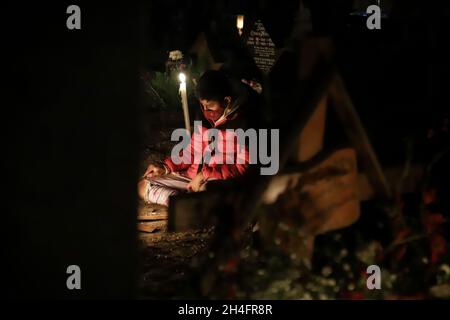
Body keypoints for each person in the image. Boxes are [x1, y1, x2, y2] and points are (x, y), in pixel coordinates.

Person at [138, 70, 253, 206]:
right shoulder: (204, 118)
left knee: (209, 193)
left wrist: (205, 174)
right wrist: (166, 167)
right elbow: (191, 151)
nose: (205, 111)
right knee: (143, 185)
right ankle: (181, 203)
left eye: (209, 107)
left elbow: (242, 168)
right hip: (190, 177)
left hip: (215, 180)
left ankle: (189, 206)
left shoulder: (243, 124)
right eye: (202, 106)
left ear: (226, 100)